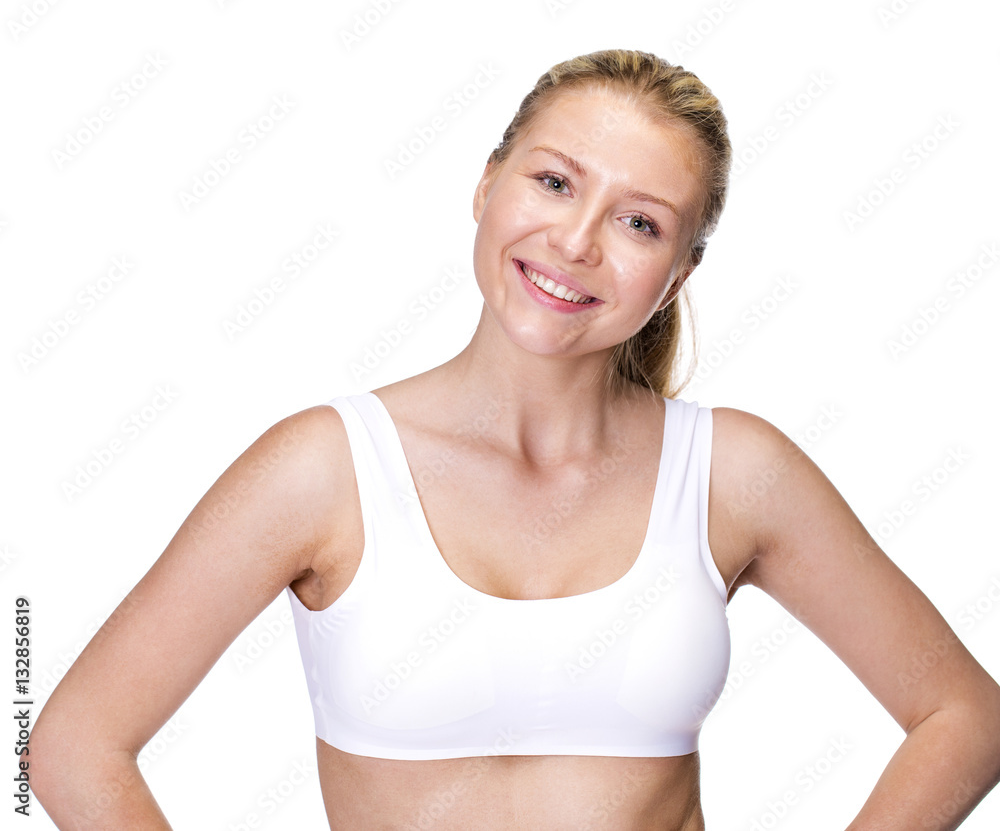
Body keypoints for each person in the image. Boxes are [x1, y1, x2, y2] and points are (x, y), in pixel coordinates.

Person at [30, 49, 1000, 830]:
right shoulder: (324, 469)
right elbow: (74, 744)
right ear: (487, 184)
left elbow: (965, 718)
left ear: (677, 274)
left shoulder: (733, 474)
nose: (576, 241)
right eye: (553, 181)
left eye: (639, 222)